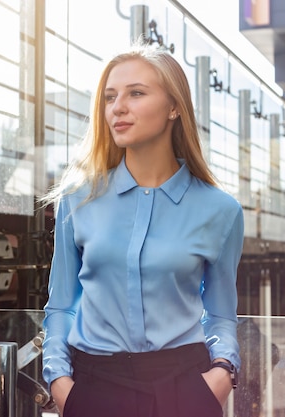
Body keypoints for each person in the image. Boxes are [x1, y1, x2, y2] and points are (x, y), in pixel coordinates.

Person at [41, 44, 244, 417]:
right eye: (109, 97)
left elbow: (220, 314)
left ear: (174, 107)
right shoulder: (77, 200)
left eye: (136, 93)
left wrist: (222, 373)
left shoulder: (221, 211)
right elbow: (61, 306)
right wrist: (60, 382)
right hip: (93, 388)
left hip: (185, 388)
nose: (118, 107)